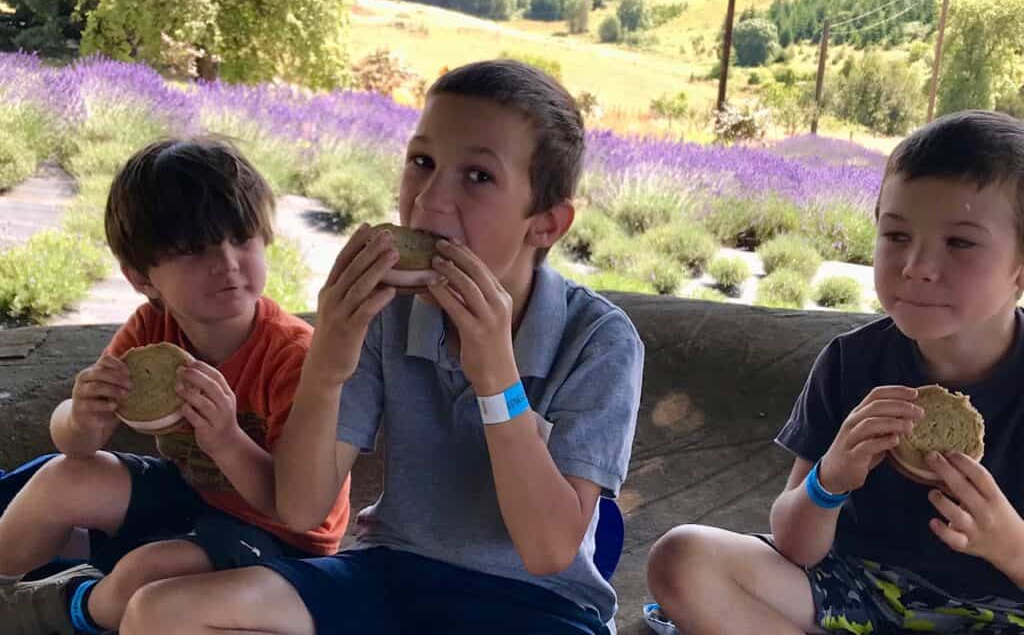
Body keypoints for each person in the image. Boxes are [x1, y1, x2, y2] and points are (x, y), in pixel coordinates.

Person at [118, 59, 645, 635]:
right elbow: (301, 508)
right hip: (390, 572)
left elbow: (548, 550)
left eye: (478, 177)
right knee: (159, 612)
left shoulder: (598, 340)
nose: (429, 201)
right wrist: (330, 356)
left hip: (539, 604)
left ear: (545, 224)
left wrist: (497, 379)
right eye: (422, 163)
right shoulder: (387, 312)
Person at [647, 110, 1024, 634]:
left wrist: (1009, 543)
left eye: (959, 243)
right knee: (682, 558)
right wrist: (830, 481)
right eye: (895, 235)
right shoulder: (851, 364)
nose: (916, 265)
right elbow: (796, 549)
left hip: (999, 615)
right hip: (855, 592)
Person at [0, 138, 350, 634]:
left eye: (242, 239)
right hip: (194, 496)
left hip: (280, 538)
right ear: (142, 278)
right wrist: (81, 416)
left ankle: (58, 611)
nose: (226, 262)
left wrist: (227, 439)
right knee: (64, 476)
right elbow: (76, 444)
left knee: (147, 572)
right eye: (194, 250)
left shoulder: (295, 358)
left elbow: (297, 511)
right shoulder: (151, 332)